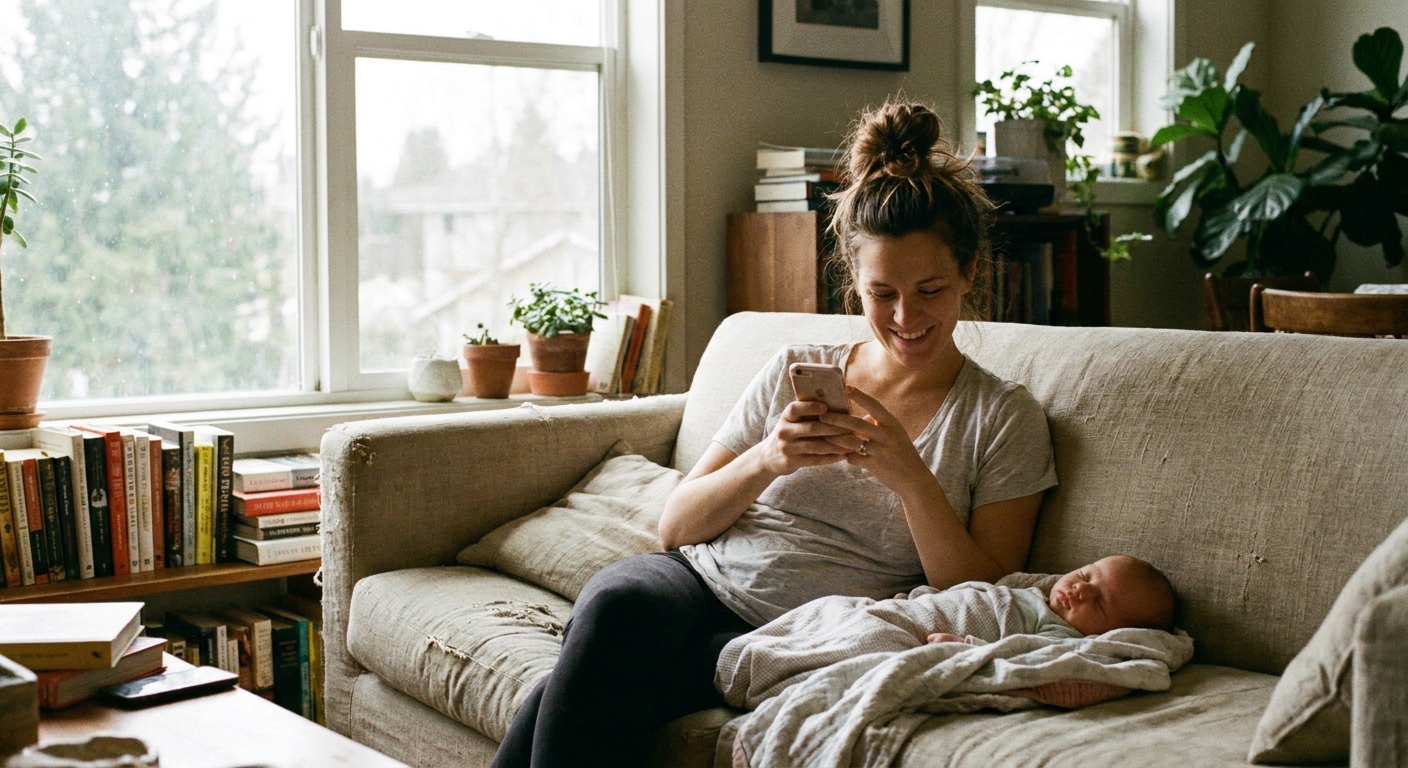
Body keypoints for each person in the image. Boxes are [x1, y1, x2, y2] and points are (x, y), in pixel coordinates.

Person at [490, 100, 1058, 768]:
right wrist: (768, 457)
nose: (906, 316)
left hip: (809, 631)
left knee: (596, 683)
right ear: (854, 284)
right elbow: (677, 527)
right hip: (697, 584)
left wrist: (912, 480)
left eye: (930, 289)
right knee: (616, 602)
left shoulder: (1002, 417)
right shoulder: (796, 369)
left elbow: (984, 593)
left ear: (968, 273)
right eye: (883, 294)